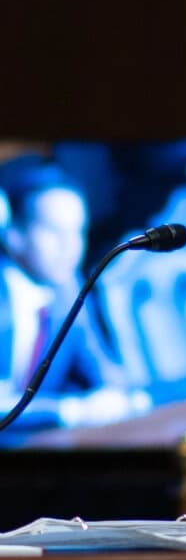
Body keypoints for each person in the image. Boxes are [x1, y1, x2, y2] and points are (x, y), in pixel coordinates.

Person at [0, 155, 131, 430]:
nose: (69, 246)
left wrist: (115, 396)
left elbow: (105, 373)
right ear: (13, 235)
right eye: (53, 231)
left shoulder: (68, 290)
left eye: (77, 231)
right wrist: (69, 411)